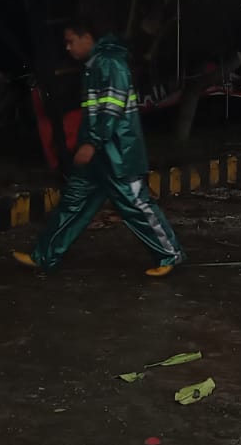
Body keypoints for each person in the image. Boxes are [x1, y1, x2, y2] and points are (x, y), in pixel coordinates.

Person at [15, 20, 184, 276]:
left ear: (87, 37)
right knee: (73, 203)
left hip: (118, 153)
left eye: (71, 41)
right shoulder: (97, 64)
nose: (68, 47)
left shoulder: (109, 63)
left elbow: (111, 109)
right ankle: (44, 256)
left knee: (136, 205)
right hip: (99, 153)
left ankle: (170, 255)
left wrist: (92, 142)